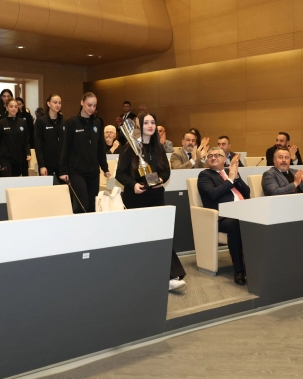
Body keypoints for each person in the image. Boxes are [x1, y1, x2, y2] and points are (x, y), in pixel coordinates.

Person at [116, 112, 185, 291]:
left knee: (162, 234)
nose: (150, 125)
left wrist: (160, 180)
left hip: (156, 196)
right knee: (139, 238)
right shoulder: (130, 147)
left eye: (152, 122)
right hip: (135, 198)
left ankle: (171, 276)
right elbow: (120, 174)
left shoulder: (158, 148)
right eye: (146, 122)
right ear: (140, 126)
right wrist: (133, 185)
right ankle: (141, 275)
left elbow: (166, 171)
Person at [197, 147, 251, 285]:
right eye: (210, 156)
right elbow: (213, 194)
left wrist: (236, 177)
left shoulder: (229, 172)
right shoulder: (205, 175)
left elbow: (246, 192)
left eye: (217, 155)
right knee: (235, 223)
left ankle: (255, 265)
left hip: (243, 211)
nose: (213, 157)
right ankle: (239, 270)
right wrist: (230, 180)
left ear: (224, 158)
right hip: (221, 217)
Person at [59, 92, 110, 213]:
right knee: (83, 205)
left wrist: (105, 168)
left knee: (92, 206)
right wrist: (63, 170)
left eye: (94, 106)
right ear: (82, 102)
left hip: (93, 171)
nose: (92, 108)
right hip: (76, 171)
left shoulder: (97, 123)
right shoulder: (72, 122)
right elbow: (65, 147)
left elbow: (100, 148)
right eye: (89, 105)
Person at [0, 99, 31, 177]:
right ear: (7, 108)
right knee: (8, 179)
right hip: (5, 158)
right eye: (11, 106)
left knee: (16, 180)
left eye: (16, 107)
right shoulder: (1, 123)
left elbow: (26, 140)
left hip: (18, 158)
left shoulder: (22, 122)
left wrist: (28, 153)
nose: (13, 109)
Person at [34, 93, 64, 179]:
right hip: (47, 164)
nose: (58, 105)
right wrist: (41, 165)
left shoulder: (63, 121)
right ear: (48, 103)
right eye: (55, 102)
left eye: (59, 103)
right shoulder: (41, 121)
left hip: (61, 165)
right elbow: (38, 145)